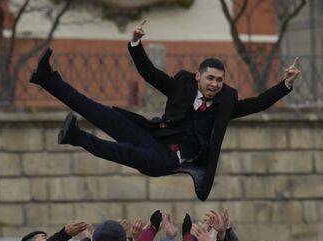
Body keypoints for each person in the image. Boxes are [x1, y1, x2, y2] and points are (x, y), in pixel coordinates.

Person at [28, 20, 301, 201]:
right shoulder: (180, 87)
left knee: (125, 153)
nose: (215, 85)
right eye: (210, 79)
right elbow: (149, 73)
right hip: (151, 133)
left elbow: (259, 103)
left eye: (219, 80)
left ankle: (77, 137)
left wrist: (285, 84)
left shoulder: (224, 106)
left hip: (166, 161)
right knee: (97, 110)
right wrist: (135, 44)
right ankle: (47, 79)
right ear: (198, 77)